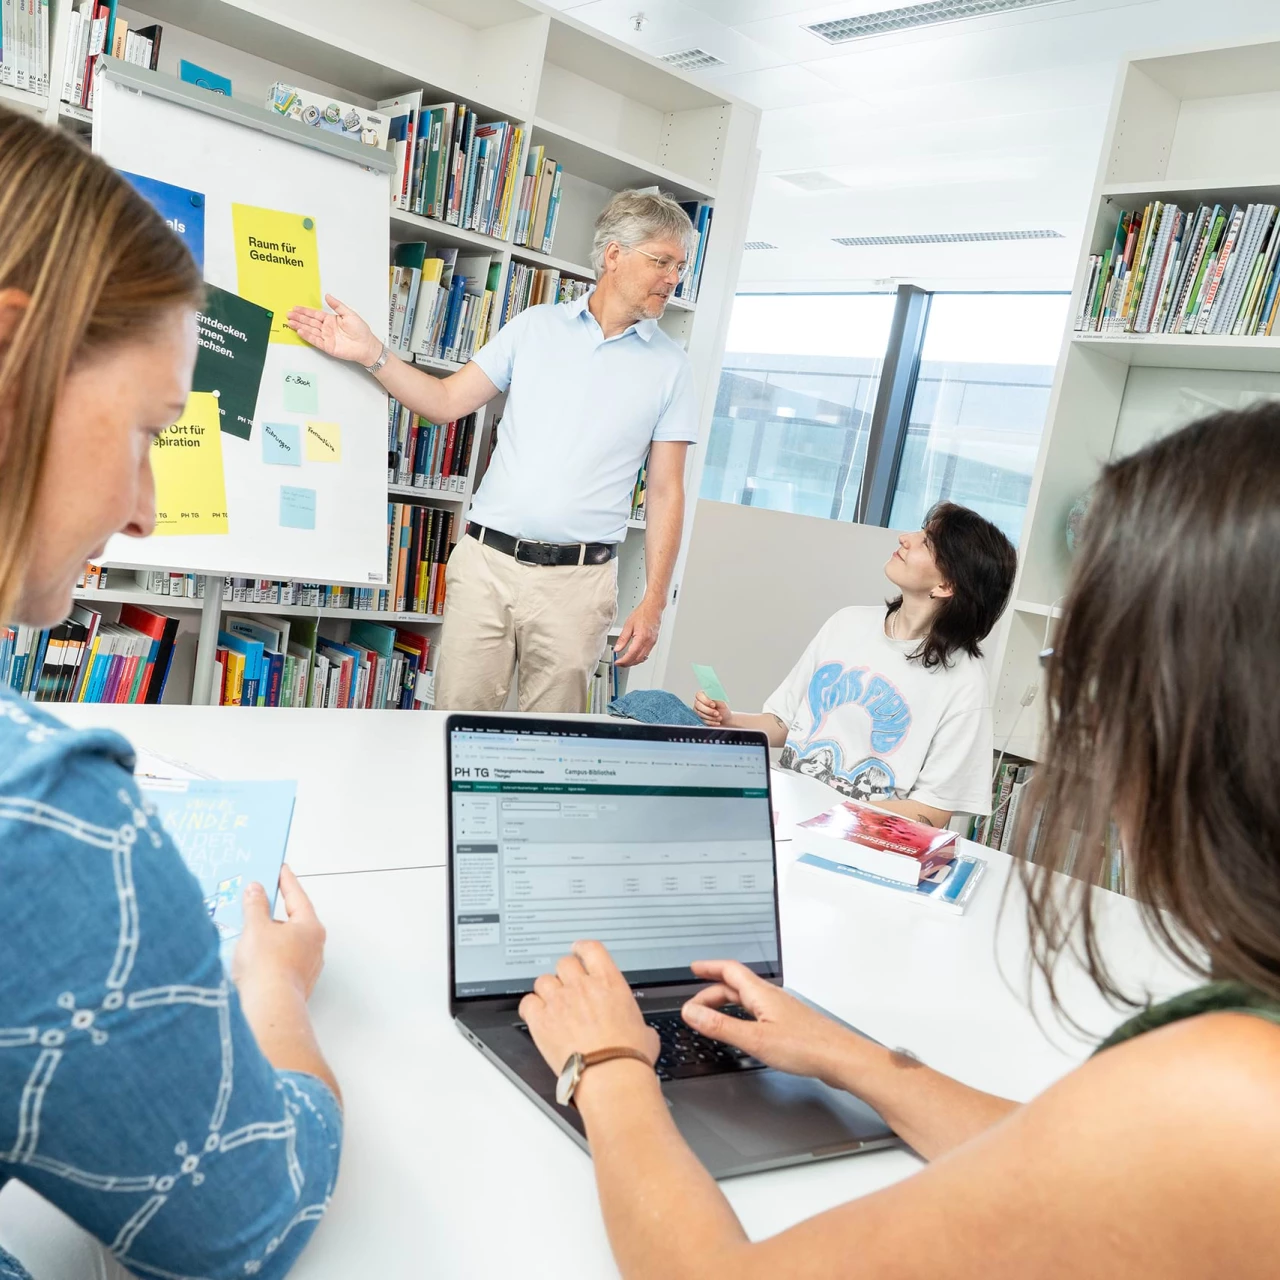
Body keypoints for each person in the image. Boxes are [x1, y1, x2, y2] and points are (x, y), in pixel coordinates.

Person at [515, 405, 1280, 1278]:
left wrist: (607, 1060)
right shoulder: (1230, 1059)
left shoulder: (1235, 1087)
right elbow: (1068, 1157)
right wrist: (854, 1058)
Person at [0, 108, 340, 1279]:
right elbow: (248, 1217)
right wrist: (276, 988)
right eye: (149, 430)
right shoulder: (41, 814)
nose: (146, 506)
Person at [287, 189, 700, 713]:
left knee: (553, 748)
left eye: (679, 266)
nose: (672, 278)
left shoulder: (671, 367)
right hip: (486, 565)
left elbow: (667, 491)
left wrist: (654, 600)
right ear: (614, 255)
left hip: (579, 584)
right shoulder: (533, 328)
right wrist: (372, 354)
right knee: (452, 729)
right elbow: (443, 402)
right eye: (662, 261)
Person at [696, 501, 1017, 826]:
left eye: (927, 542)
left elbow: (933, 812)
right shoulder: (846, 623)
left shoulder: (964, 681)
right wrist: (729, 718)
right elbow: (783, 723)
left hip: (858, 842)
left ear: (945, 586)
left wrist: (832, 816)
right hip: (781, 816)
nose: (905, 538)